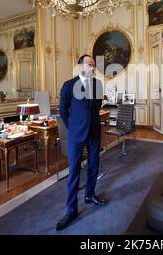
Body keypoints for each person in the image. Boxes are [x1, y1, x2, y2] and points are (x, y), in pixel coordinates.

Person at [56, 55, 107, 231]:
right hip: (77, 135)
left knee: (94, 165)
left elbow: (97, 107)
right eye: (90, 65)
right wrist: (73, 127)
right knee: (74, 171)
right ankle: (71, 211)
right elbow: (62, 110)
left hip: (94, 132)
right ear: (81, 67)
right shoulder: (69, 85)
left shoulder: (97, 85)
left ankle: (90, 194)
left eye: (94, 65)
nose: (93, 68)